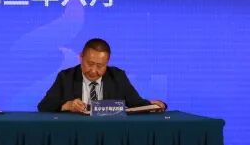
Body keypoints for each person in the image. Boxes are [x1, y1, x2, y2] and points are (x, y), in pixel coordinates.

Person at [36, 37, 167, 113]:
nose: (93, 70)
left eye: (100, 66)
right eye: (90, 64)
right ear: (80, 57)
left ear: (107, 63)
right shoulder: (66, 77)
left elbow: (135, 103)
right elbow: (44, 106)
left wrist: (152, 105)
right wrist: (67, 105)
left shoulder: (117, 76)